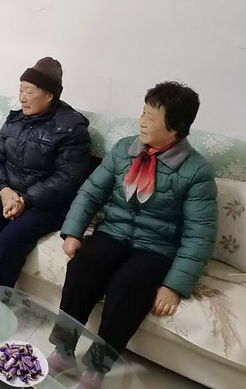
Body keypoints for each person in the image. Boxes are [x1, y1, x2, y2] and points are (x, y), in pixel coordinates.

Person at [48, 82, 218, 388]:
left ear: (175, 128)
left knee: (127, 288)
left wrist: (174, 285)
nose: (142, 121)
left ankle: (96, 369)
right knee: (81, 269)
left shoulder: (197, 172)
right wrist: (72, 232)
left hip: (157, 248)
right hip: (113, 232)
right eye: (143, 112)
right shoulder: (124, 149)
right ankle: (63, 351)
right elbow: (90, 193)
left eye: (152, 117)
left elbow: (199, 235)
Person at [0, 57, 92, 289]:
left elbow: (67, 178)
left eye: (29, 92)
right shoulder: (16, 120)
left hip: (46, 204)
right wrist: (3, 190)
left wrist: (26, 199)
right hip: (7, 193)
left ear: (49, 95)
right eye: (21, 90)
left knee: (8, 241)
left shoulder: (71, 129)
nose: (22, 97)